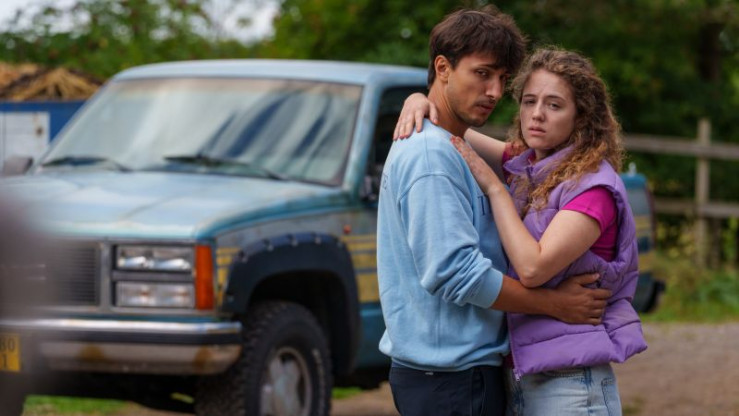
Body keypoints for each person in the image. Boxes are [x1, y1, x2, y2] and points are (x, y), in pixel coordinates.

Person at [377, 8, 613, 416]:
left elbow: (509, 155)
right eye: (482, 74)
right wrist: (553, 304)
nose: (494, 91)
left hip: (458, 374)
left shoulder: (452, 145)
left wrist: (419, 98)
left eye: (503, 78)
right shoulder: (432, 156)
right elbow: (459, 274)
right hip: (451, 379)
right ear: (443, 68)